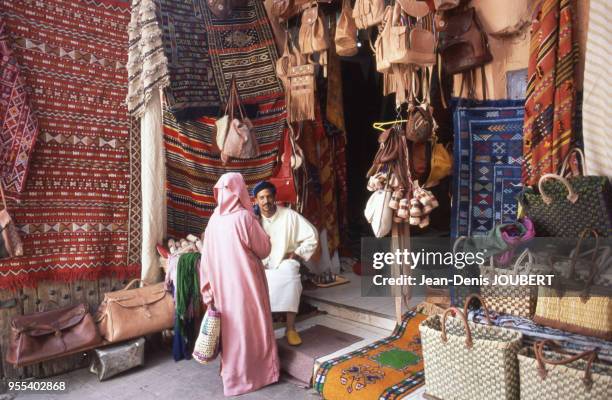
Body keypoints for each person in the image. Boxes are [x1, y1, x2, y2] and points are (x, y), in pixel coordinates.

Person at [199, 173, 279, 396]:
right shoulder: (244, 217)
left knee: (233, 333)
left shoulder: (214, 219)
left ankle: (233, 379)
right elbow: (264, 250)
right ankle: (260, 375)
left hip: (223, 288)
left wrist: (208, 291)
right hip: (248, 286)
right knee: (254, 330)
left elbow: (205, 259)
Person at [253, 181, 318, 346]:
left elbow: (312, 236)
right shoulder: (252, 220)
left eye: (269, 196)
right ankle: (264, 331)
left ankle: (290, 328)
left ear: (274, 198)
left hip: (283, 262)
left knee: (291, 275)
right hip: (260, 263)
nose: (266, 201)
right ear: (256, 201)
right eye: (262, 198)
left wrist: (297, 254)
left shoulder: (289, 215)